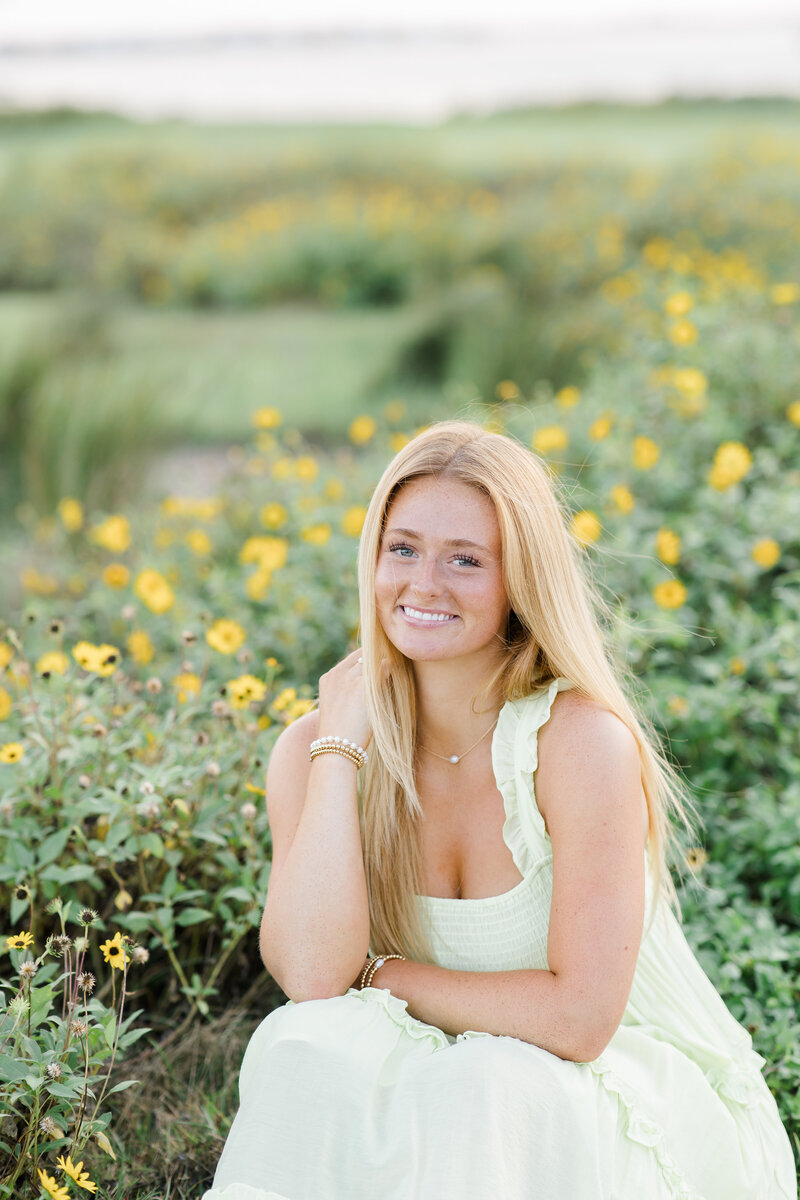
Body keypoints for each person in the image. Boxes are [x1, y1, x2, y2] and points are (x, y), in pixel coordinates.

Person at [203, 420, 796, 1200]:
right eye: (404, 548)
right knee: (298, 1043)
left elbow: (580, 1021)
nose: (423, 584)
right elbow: (314, 978)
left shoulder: (579, 745)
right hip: (446, 1083)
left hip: (622, 1094)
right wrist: (340, 751)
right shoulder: (316, 749)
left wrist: (381, 974)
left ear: (521, 582)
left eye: (466, 560)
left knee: (483, 1082)